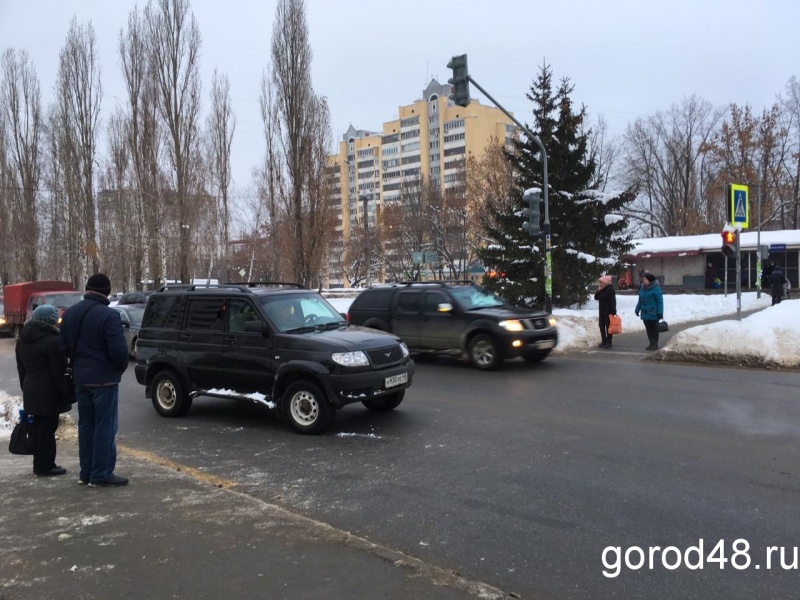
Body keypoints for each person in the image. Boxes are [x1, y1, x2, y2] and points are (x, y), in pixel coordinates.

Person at [59, 273, 130, 487]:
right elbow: (119, 351)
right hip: (104, 380)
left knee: (86, 425)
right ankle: (101, 474)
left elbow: (62, 347)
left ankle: (86, 473)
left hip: (81, 378)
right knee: (105, 426)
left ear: (87, 289)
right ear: (107, 292)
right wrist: (119, 368)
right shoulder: (109, 316)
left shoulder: (70, 313)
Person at [15, 305, 72, 476]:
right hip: (48, 392)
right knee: (47, 429)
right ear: (51, 321)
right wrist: (66, 392)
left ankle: (39, 463)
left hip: (30, 388)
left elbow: (21, 368)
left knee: (38, 428)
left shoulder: (23, 339)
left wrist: (25, 386)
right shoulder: (53, 342)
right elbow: (59, 371)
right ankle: (46, 466)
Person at [635, 272, 664, 351]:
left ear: (650, 280)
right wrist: (637, 309)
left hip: (653, 313)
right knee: (648, 329)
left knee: (654, 329)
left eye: (645, 279)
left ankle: (654, 344)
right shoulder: (642, 288)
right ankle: (651, 343)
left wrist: (660, 313)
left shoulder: (656, 289)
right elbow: (640, 300)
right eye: (643, 279)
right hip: (645, 312)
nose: (644, 280)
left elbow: (660, 302)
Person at [594, 275, 617, 349]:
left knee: (608, 327)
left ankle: (609, 342)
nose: (600, 284)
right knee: (601, 326)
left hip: (609, 312)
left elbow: (613, 301)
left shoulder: (610, 289)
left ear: (606, 282)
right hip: (602, 311)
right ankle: (603, 341)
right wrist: (598, 291)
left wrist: (613, 312)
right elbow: (596, 297)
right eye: (599, 282)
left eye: (601, 282)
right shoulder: (601, 289)